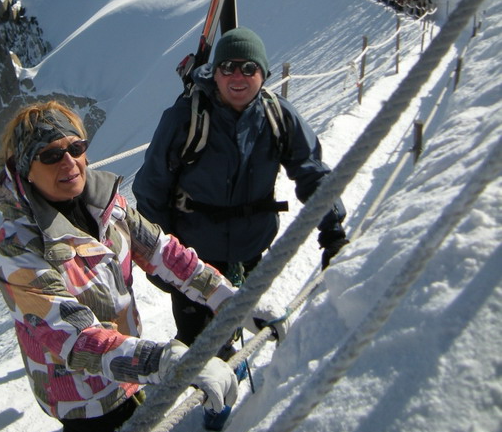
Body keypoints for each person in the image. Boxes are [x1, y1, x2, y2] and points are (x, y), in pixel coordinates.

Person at [0, 100, 243, 432]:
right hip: (76, 384)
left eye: (76, 147)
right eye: (51, 154)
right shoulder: (17, 251)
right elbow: (75, 339)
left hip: (122, 367)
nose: (70, 161)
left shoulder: (106, 204)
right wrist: (168, 361)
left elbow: (162, 252)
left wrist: (229, 298)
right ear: (26, 169)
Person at [132, 27, 348, 366]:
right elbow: (150, 189)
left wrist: (332, 229)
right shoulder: (185, 118)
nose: (238, 76)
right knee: (197, 341)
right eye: (228, 66)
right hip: (193, 259)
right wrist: (160, 257)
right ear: (213, 73)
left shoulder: (278, 117)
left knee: (237, 320)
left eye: (249, 68)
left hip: (250, 251)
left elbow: (311, 171)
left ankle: (226, 373)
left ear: (263, 74)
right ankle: (214, 400)